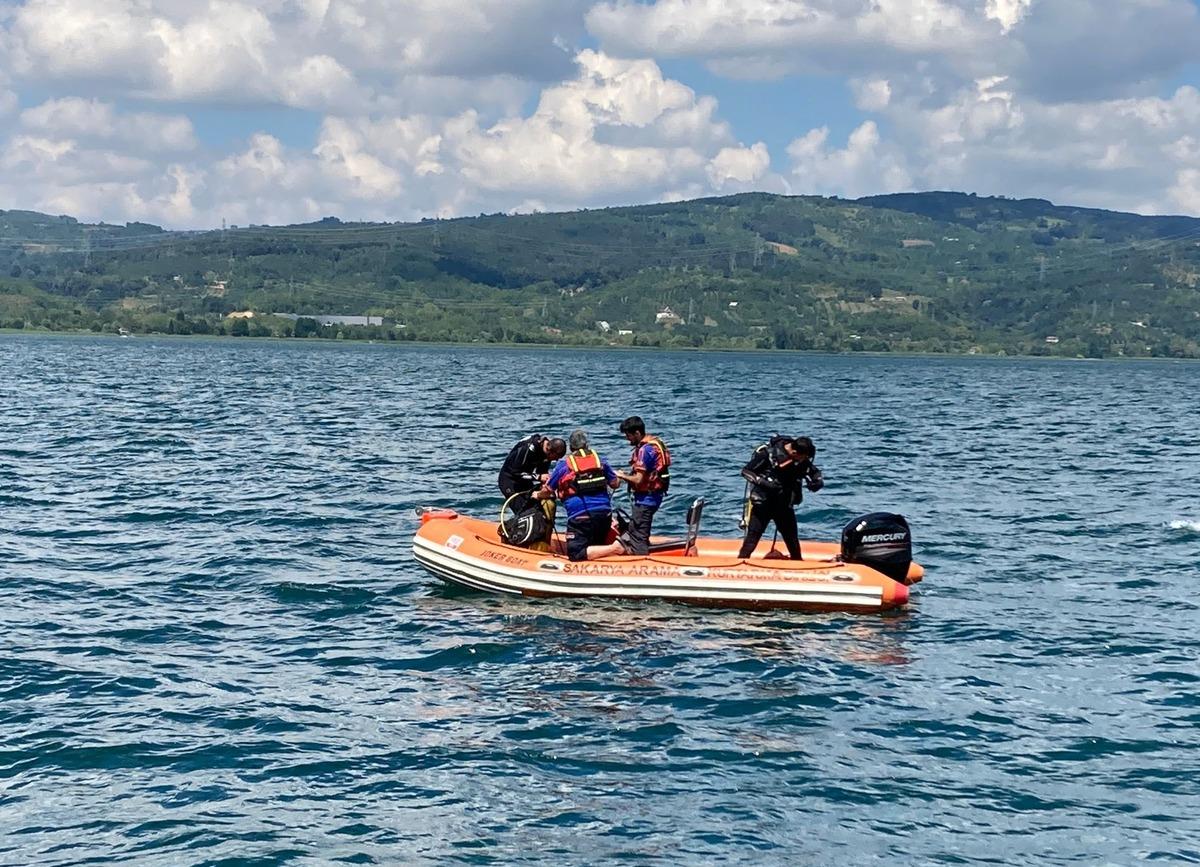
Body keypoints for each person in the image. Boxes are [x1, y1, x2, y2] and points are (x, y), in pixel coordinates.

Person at [536, 429, 623, 561]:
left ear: (571, 448)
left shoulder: (563, 466)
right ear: (587, 445)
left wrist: (537, 495)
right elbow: (615, 484)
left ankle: (615, 548)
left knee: (576, 554)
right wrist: (619, 476)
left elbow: (548, 490)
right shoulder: (600, 461)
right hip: (604, 515)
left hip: (581, 517)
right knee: (596, 544)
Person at [737, 435, 824, 560]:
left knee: (792, 540)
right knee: (752, 538)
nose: (803, 460)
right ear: (794, 452)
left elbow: (814, 471)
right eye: (802, 457)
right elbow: (746, 471)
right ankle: (741, 563)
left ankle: (798, 564)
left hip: (784, 505)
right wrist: (764, 483)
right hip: (763, 503)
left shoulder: (801, 458)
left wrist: (817, 481)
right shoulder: (768, 454)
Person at [614, 416, 671, 555]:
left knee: (638, 536)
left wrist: (621, 475)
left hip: (646, 499)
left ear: (638, 433)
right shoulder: (654, 444)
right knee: (636, 530)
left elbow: (639, 480)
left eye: (629, 436)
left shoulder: (645, 450)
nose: (628, 439)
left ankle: (642, 563)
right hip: (654, 496)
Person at [498, 433, 567, 504]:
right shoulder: (528, 448)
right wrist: (539, 477)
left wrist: (545, 483)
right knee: (525, 511)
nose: (555, 460)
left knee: (543, 505)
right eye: (556, 457)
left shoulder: (547, 453)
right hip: (509, 479)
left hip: (525, 479)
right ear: (550, 451)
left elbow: (542, 471)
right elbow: (515, 472)